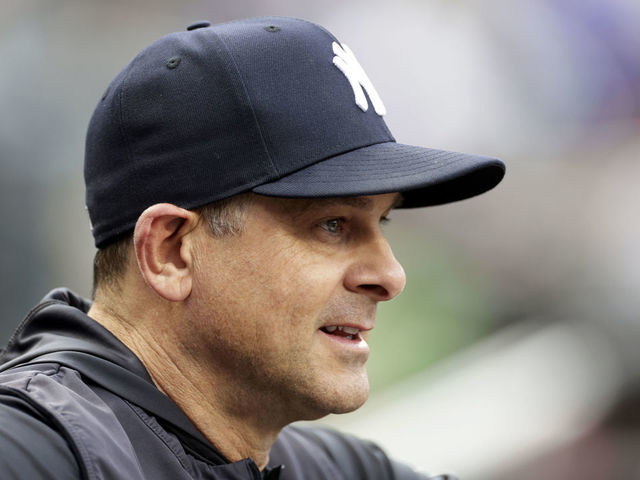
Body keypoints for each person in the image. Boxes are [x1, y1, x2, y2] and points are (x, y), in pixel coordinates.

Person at [0, 16, 504, 480]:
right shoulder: (28, 450)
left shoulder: (332, 467)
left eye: (382, 221)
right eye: (332, 224)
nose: (390, 275)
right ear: (171, 252)